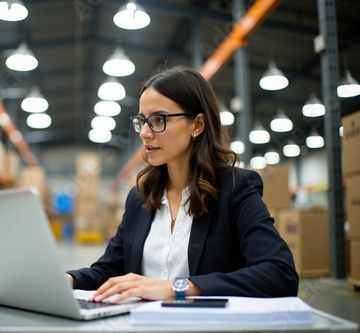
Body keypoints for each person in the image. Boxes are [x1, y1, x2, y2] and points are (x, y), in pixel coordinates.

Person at [66, 65, 298, 304]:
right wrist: (69, 279)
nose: (145, 132)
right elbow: (110, 270)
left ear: (197, 124)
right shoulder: (140, 198)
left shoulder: (235, 189)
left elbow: (280, 274)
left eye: (158, 119)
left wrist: (178, 287)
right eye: (142, 121)